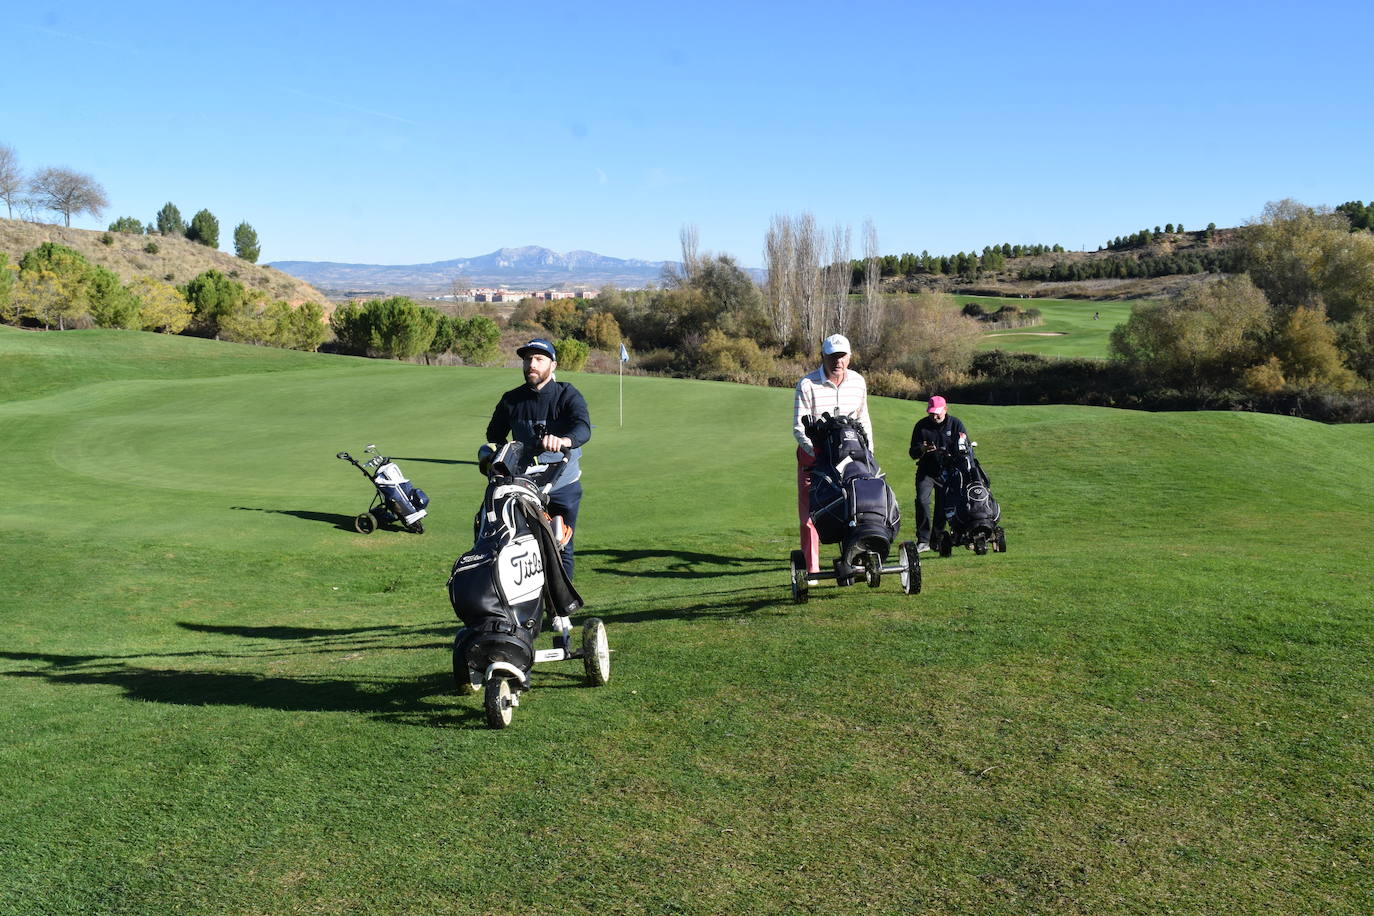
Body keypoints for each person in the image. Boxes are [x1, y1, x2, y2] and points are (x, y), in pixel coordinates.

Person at [485, 338, 591, 580]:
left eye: (539, 359)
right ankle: (528, 608)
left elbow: (583, 428)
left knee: (561, 544)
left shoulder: (567, 394)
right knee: (523, 546)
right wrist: (504, 453)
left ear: (552, 365)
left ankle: (561, 613)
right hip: (524, 487)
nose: (532, 364)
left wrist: (564, 441)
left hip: (563, 485)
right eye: (528, 359)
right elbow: (494, 435)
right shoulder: (511, 400)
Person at [792, 333, 873, 577]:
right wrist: (818, 455)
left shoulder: (858, 382)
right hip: (815, 458)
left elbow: (863, 420)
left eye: (842, 356)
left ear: (849, 356)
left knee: (856, 507)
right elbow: (799, 428)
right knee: (810, 515)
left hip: (851, 457)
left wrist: (868, 453)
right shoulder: (807, 384)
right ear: (823, 356)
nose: (838, 361)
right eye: (833, 356)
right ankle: (813, 570)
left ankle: (855, 558)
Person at [908, 395, 970, 552]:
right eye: (931, 413)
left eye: (937, 413)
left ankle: (937, 540)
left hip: (948, 473)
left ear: (945, 409)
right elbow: (912, 453)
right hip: (926, 471)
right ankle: (923, 540)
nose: (934, 416)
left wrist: (947, 453)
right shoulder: (921, 426)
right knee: (922, 501)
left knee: (942, 507)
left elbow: (964, 448)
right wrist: (921, 449)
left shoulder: (955, 424)